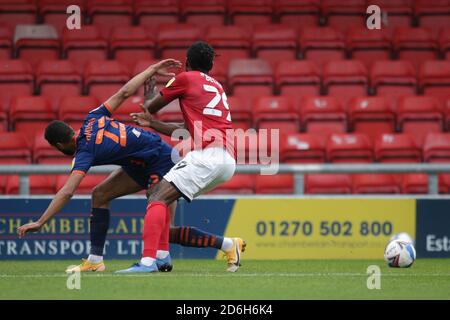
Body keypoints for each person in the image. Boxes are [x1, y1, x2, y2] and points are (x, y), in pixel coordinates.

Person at [16, 59, 244, 273]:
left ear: (59, 145)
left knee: (164, 223)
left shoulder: (84, 151)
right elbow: (125, 92)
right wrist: (152, 69)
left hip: (160, 159)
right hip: (138, 162)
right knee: (100, 194)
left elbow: (67, 191)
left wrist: (41, 221)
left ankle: (172, 256)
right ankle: (96, 261)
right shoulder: (93, 117)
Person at [117, 41, 244, 274]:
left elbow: (151, 106)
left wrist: (150, 90)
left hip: (209, 154)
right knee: (160, 196)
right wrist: (153, 124)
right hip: (226, 160)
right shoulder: (215, 86)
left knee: (157, 195)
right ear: (211, 65)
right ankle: (164, 257)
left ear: (187, 62)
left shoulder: (186, 78)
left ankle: (148, 263)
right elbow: (185, 130)